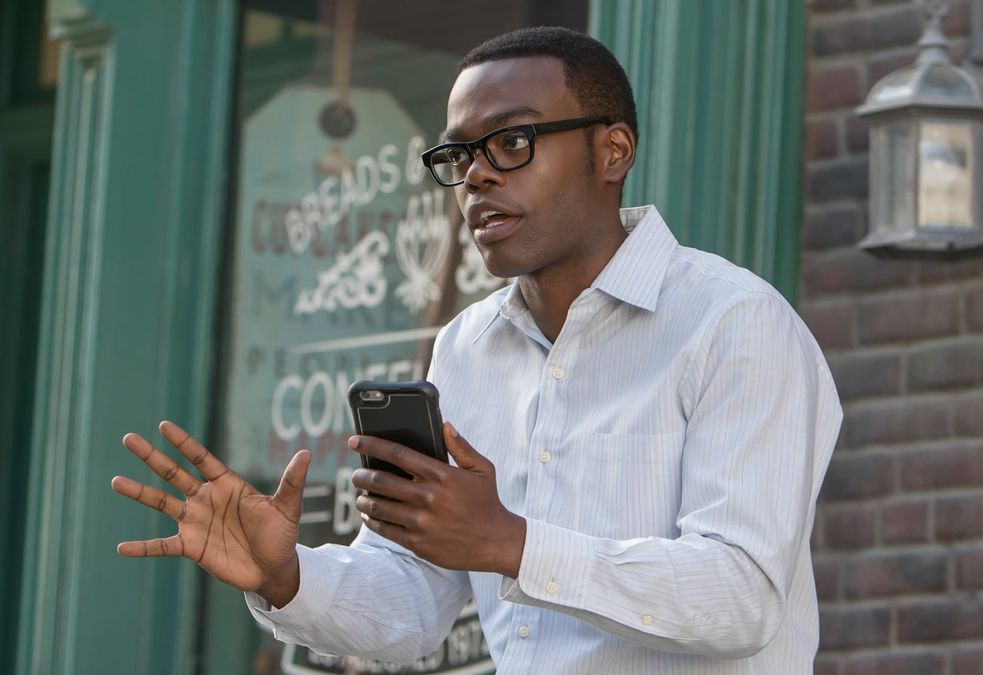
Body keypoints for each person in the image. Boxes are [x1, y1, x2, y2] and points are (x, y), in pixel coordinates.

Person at [112, 26, 841, 674]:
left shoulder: (733, 323)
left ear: (612, 151)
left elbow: (743, 594)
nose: (477, 176)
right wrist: (285, 576)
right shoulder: (466, 348)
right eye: (458, 154)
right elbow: (412, 603)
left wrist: (511, 543)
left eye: (512, 142)